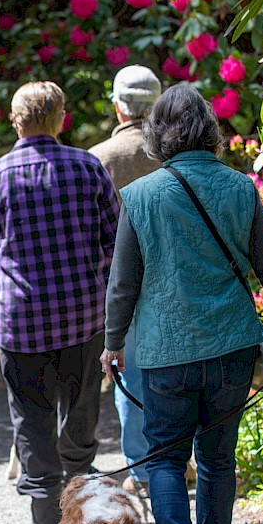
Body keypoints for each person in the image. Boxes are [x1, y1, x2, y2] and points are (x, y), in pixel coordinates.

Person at [100, 84, 263, 524]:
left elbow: (123, 283)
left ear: (157, 134)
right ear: (208, 130)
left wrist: (111, 343)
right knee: (217, 458)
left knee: (165, 457)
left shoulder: (142, 196)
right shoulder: (239, 188)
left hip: (164, 350)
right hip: (230, 346)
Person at [0, 81, 121, 524]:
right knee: (80, 407)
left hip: (20, 323)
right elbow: (114, 238)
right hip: (82, 317)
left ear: (15, 121)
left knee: (30, 412)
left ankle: (44, 510)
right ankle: (78, 492)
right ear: (60, 117)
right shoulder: (87, 166)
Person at [88, 65, 164, 496]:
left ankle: (142, 468)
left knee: (129, 376)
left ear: (117, 105)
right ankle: (175, 457)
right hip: (174, 283)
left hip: (118, 289)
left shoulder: (97, 159)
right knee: (175, 374)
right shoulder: (170, 155)